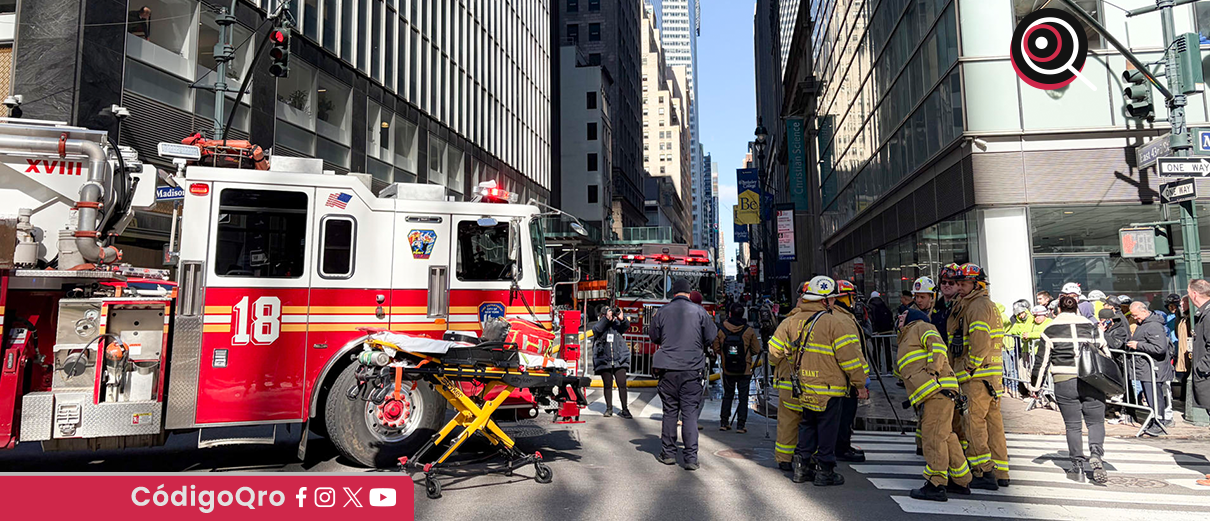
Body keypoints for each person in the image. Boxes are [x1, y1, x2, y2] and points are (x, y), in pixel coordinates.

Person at [768, 276, 868, 486]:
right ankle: (825, 471)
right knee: (827, 430)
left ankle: (801, 468)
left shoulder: (791, 321)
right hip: (829, 388)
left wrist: (788, 360)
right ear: (824, 300)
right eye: (831, 299)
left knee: (807, 426)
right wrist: (859, 383)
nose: (834, 303)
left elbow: (773, 353)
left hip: (804, 387)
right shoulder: (833, 323)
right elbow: (849, 358)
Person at [1034, 295, 1111, 484]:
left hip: (1064, 380)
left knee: (1073, 425)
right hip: (1092, 379)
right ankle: (1096, 454)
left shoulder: (1050, 330)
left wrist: (1035, 386)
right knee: (1096, 422)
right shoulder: (1092, 327)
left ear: (1058, 309)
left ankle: (1077, 467)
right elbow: (1106, 354)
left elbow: (1042, 361)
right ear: (1077, 309)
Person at [895, 308, 969, 501]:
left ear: (913, 317)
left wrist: (933, 371)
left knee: (933, 437)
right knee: (945, 436)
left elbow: (937, 347)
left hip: (937, 390)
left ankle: (936, 484)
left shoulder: (920, 326)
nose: (900, 317)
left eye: (904, 314)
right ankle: (961, 480)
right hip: (938, 391)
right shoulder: (906, 337)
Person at [948, 263, 1008, 490]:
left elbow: (979, 341)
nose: (959, 288)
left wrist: (968, 367)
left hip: (976, 377)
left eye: (963, 284)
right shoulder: (982, 304)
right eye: (958, 283)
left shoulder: (977, 306)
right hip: (990, 377)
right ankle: (1000, 471)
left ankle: (982, 471)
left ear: (977, 284)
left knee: (974, 423)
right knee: (993, 424)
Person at [650, 278, 718, 470]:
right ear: (689, 293)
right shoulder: (700, 312)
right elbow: (711, 336)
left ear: (673, 293)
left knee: (670, 412)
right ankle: (690, 458)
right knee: (689, 414)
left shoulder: (662, 312)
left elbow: (654, 336)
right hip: (692, 369)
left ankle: (668, 454)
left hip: (668, 369)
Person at [831, 279, 870, 463]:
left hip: (838, 376)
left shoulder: (837, 315)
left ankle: (840, 445)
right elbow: (853, 351)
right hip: (846, 378)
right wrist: (861, 380)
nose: (854, 301)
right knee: (846, 413)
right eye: (852, 297)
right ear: (845, 298)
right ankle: (842, 448)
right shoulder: (844, 319)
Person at [1127, 301, 1175, 436]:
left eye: (1136, 315)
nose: (1134, 318)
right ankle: (1155, 420)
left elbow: (1160, 348)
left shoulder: (1153, 325)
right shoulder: (1144, 324)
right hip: (1146, 368)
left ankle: (1158, 422)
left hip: (1153, 368)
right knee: (1151, 396)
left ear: (1144, 311)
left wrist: (1138, 345)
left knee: (1154, 396)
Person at [713, 303, 761, 432]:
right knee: (743, 397)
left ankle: (724, 422)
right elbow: (756, 349)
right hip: (744, 369)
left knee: (727, 395)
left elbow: (716, 347)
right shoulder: (748, 331)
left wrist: (725, 356)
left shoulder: (721, 330)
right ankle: (741, 424)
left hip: (727, 368)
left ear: (730, 314)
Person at [592, 305, 633, 419]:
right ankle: (609, 408)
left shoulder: (617, 325)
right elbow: (596, 330)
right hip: (605, 360)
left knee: (622, 384)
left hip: (619, 359)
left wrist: (622, 318)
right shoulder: (600, 325)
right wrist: (606, 319)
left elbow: (626, 326)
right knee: (608, 385)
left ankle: (625, 409)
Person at [1187, 279, 1210, 415]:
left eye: (1189, 293)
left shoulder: (1208, 315)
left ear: (1194, 294)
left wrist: (1201, 367)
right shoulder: (1204, 313)